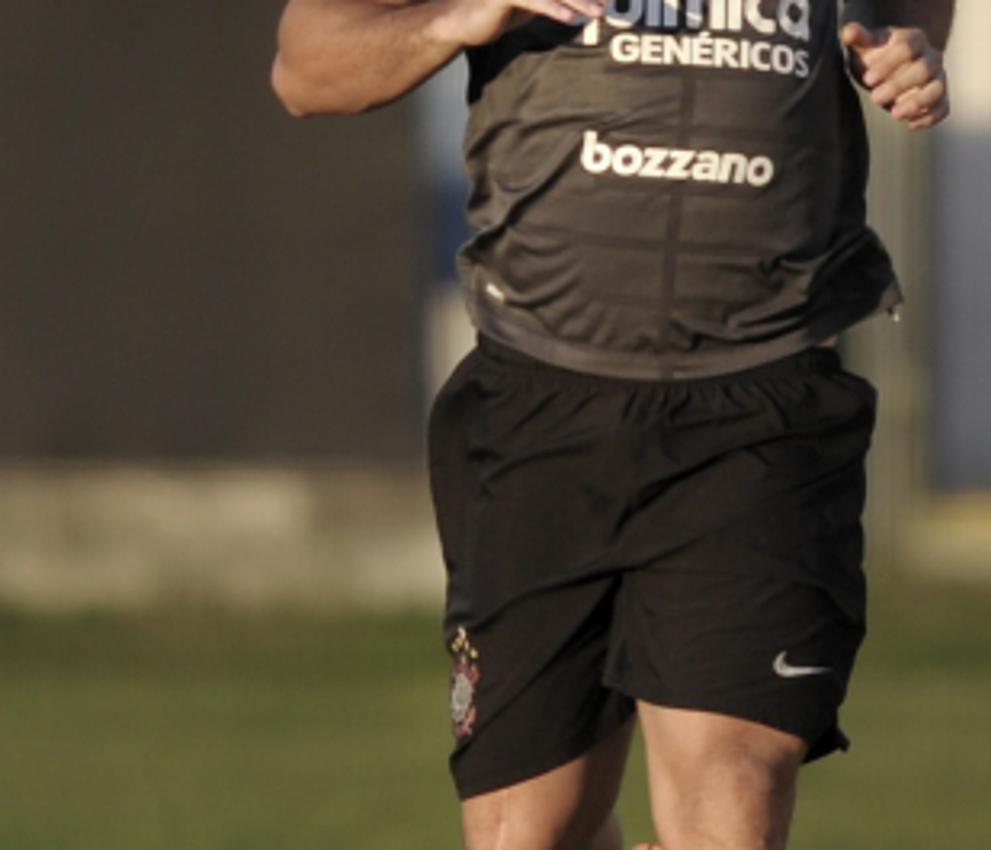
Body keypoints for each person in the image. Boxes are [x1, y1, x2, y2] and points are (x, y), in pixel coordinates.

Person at [272, 0, 952, 847]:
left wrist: (906, 44)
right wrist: (459, 17)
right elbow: (308, 69)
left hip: (760, 400)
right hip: (539, 402)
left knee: (732, 797)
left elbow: (907, 19)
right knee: (529, 833)